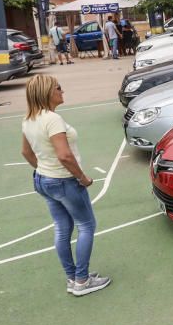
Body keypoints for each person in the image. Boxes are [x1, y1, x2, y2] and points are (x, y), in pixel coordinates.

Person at [20, 75, 111, 296]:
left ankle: (73, 278)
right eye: (58, 88)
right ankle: (82, 281)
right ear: (47, 92)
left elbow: (26, 152)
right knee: (86, 225)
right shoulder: (52, 119)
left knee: (62, 228)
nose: (62, 91)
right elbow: (65, 156)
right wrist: (82, 178)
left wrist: (44, 170)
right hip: (63, 181)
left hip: (43, 180)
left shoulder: (29, 119)